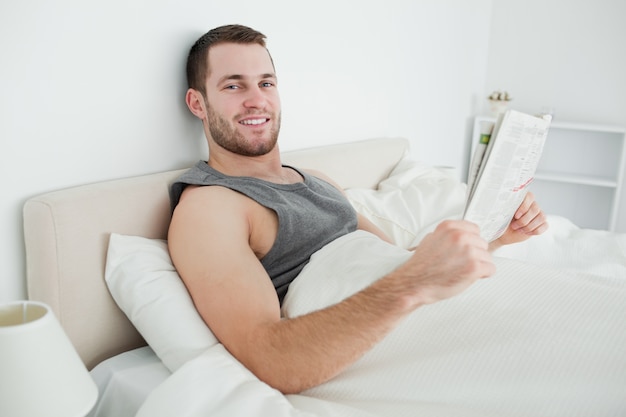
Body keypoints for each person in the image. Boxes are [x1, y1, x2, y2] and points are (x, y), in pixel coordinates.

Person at [167, 24, 548, 395]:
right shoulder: (210, 206)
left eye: (266, 83)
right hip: (398, 334)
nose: (257, 99)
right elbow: (268, 356)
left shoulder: (316, 179)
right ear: (197, 103)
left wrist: (495, 237)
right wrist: (415, 282)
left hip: (427, 308)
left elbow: (394, 263)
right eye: (233, 85)